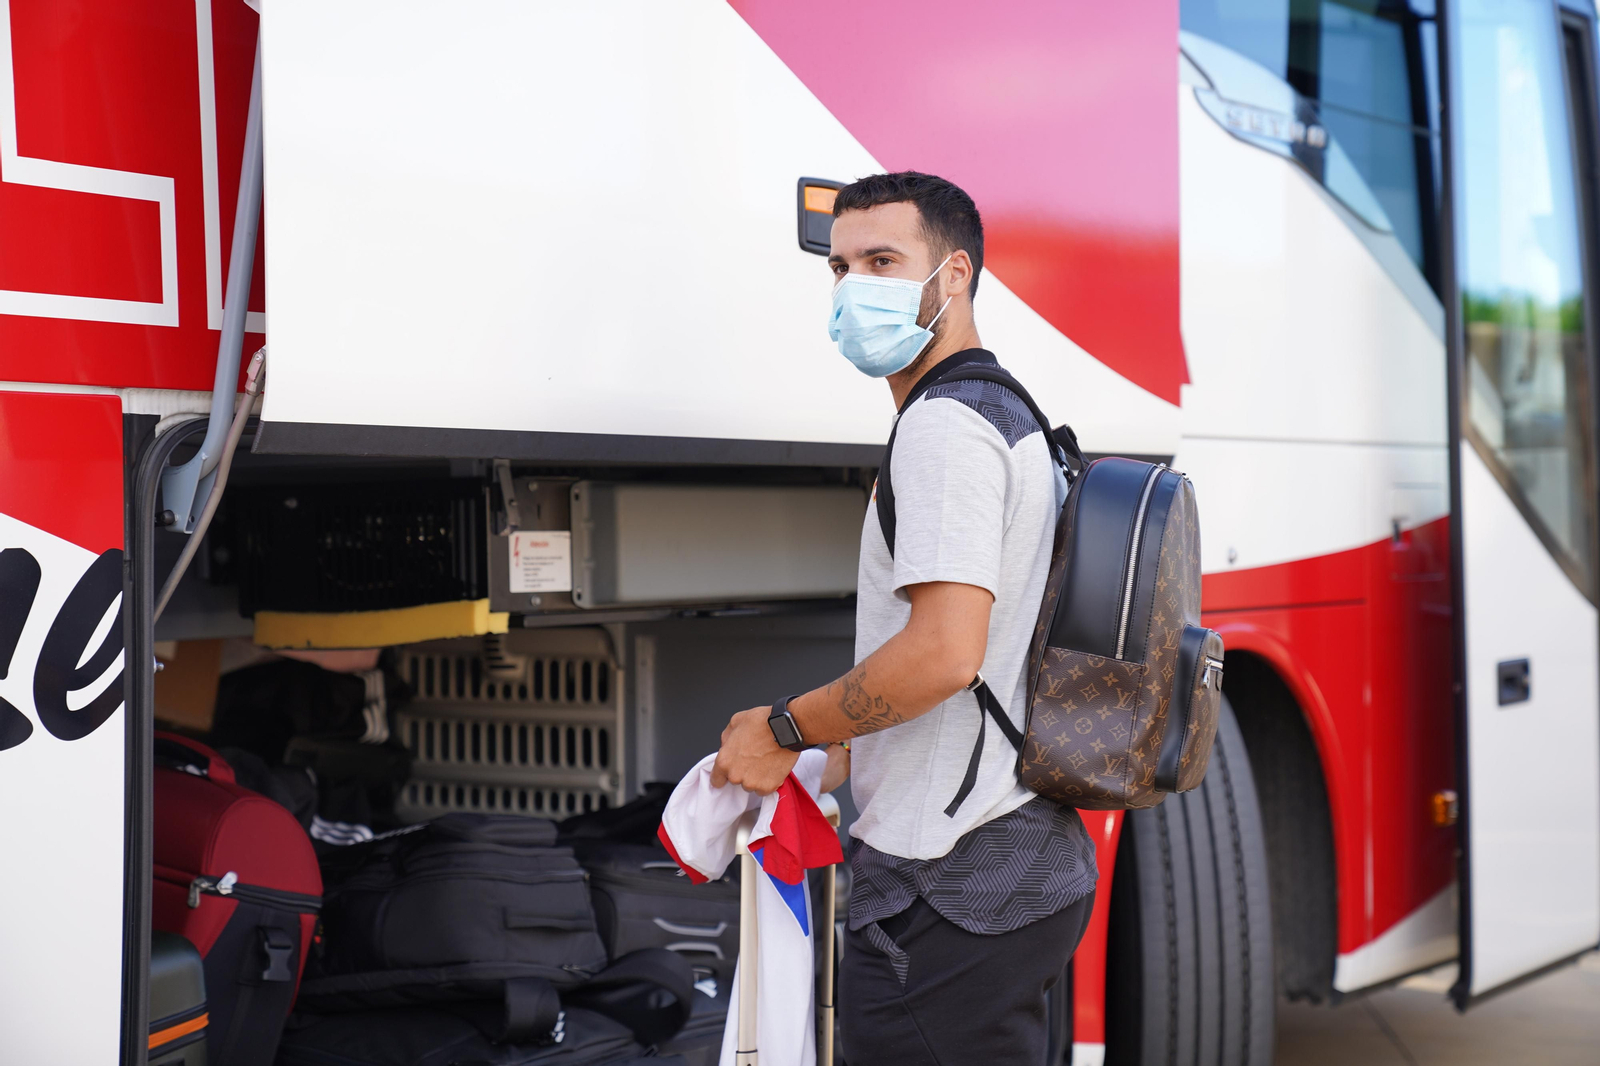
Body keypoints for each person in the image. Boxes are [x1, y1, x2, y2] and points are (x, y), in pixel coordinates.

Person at [711, 171, 1097, 1063]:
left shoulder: (945, 427)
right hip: (1012, 859)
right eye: (840, 267)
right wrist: (852, 738)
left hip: (950, 881)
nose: (854, 287)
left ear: (954, 275)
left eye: (883, 261)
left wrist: (783, 727)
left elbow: (945, 655)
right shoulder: (1007, 410)